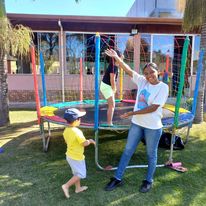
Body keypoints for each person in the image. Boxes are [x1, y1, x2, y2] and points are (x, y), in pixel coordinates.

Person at [104, 49, 169, 193]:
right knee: (127, 151)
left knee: (151, 154)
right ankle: (117, 178)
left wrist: (132, 113)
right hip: (137, 124)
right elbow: (127, 69)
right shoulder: (142, 81)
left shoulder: (163, 87)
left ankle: (148, 181)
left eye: (151, 72)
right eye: (146, 73)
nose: (149, 76)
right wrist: (116, 58)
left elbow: (153, 108)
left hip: (153, 127)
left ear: (157, 71)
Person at [61, 108, 96, 198]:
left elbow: (66, 142)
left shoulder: (66, 130)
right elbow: (84, 143)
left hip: (69, 156)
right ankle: (66, 186)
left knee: (76, 173)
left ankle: (78, 188)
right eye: (80, 118)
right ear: (76, 120)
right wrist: (90, 141)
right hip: (76, 157)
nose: (80, 120)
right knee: (81, 174)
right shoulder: (77, 132)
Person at [100, 50, 122, 126]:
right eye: (121, 57)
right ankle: (109, 123)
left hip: (106, 85)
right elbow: (112, 79)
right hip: (106, 86)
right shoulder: (114, 66)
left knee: (111, 104)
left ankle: (109, 122)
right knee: (112, 105)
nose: (122, 59)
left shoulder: (114, 65)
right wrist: (114, 89)